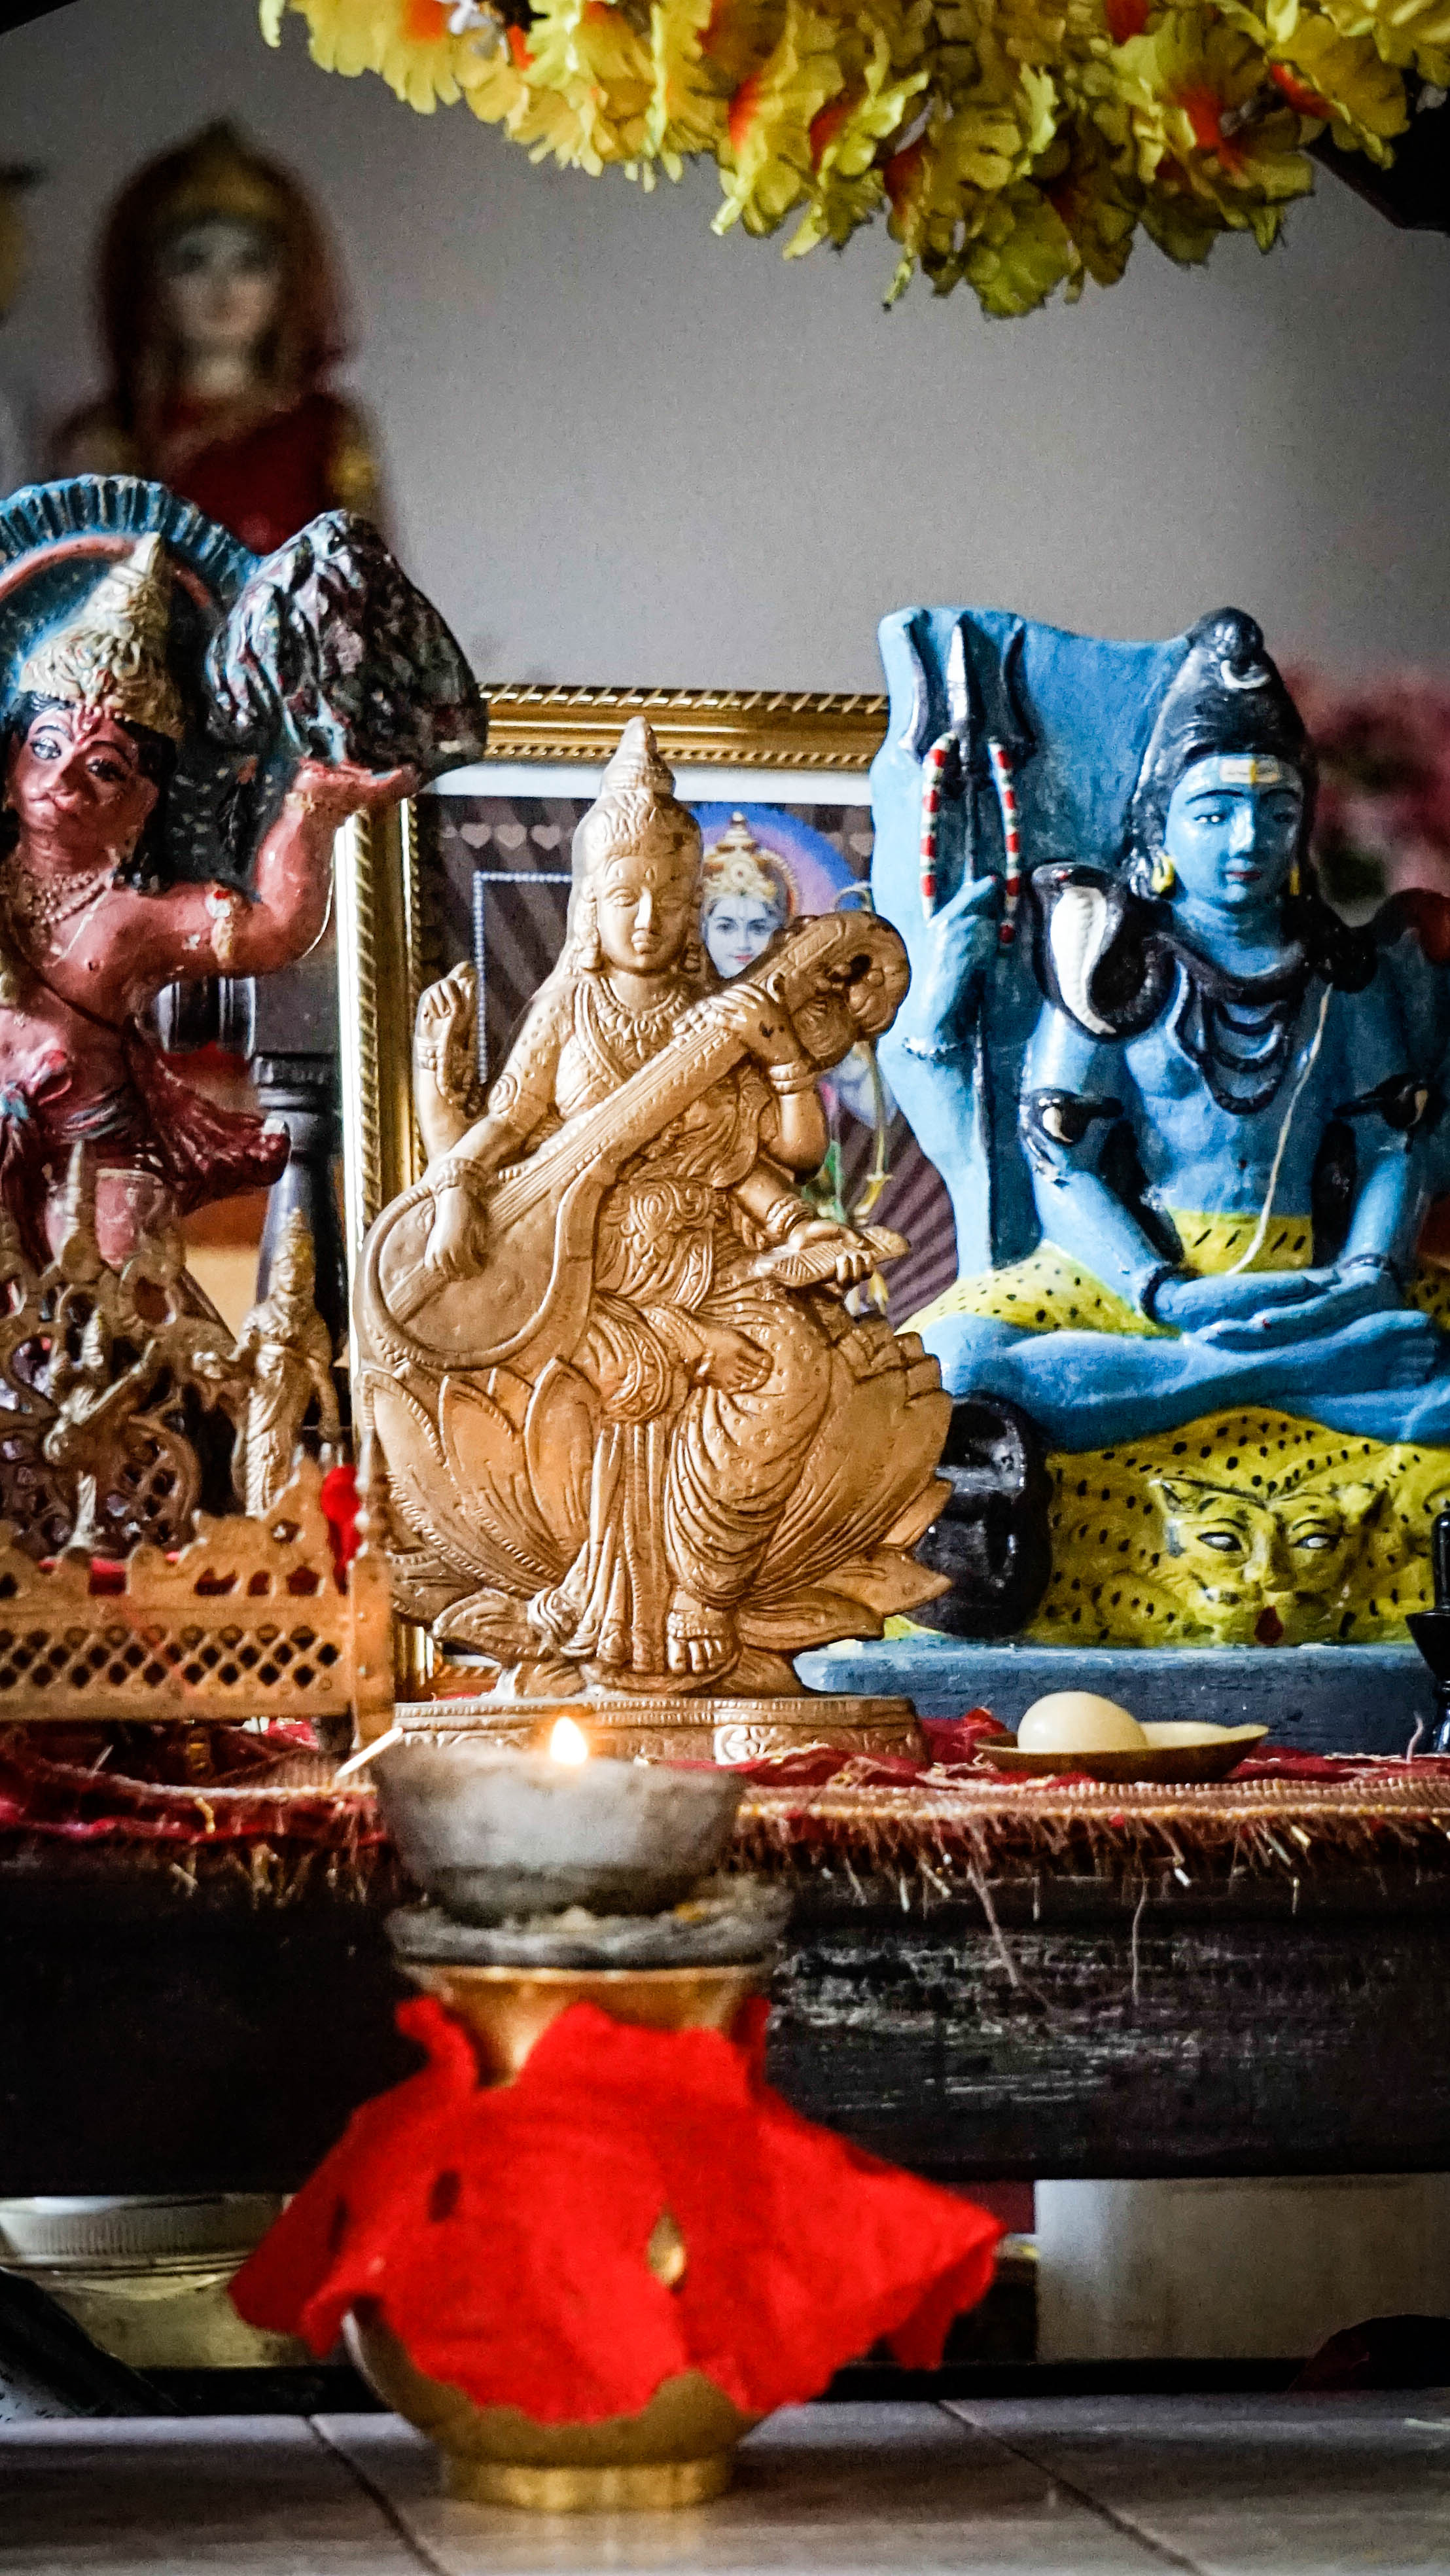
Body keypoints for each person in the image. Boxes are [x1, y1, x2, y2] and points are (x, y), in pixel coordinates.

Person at [377, 719, 937, 1690]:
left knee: (795, 1371)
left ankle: (707, 1591)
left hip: (707, 1255)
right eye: (624, 898)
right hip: (582, 1268)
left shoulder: (716, 1017)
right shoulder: (569, 1011)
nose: (646, 921)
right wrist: (457, 1186)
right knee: (555, 1377)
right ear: (588, 907)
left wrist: (784, 1073)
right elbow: (505, 1127)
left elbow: (774, 1159)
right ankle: (584, 1598)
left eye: (670, 903)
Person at [910, 611, 1450, 1451]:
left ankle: (1213, 1379)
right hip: (1127, 1280)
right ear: (1157, 826)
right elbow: (1060, 1162)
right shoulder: (1111, 969)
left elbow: (1390, 1145)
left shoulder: (1338, 977)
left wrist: (1366, 1276)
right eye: (1212, 813)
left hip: (1313, 1282)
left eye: (1276, 811)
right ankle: (1280, 1378)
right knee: (949, 1365)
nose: (1248, 841)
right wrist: (1159, 1290)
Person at [0, 531, 410, 1268]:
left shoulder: (135, 916)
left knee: (115, 1252)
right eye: (47, 747)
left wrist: (309, 812)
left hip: (96, 1154)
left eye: (104, 768)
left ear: (145, 803)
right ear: (9, 761)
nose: (63, 781)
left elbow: (274, 929)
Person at [51, 124, 380, 556]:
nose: (224, 288)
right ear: (151, 283)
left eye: (251, 262)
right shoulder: (109, 438)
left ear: (287, 281)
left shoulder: (327, 432)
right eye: (193, 262)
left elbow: (368, 583)